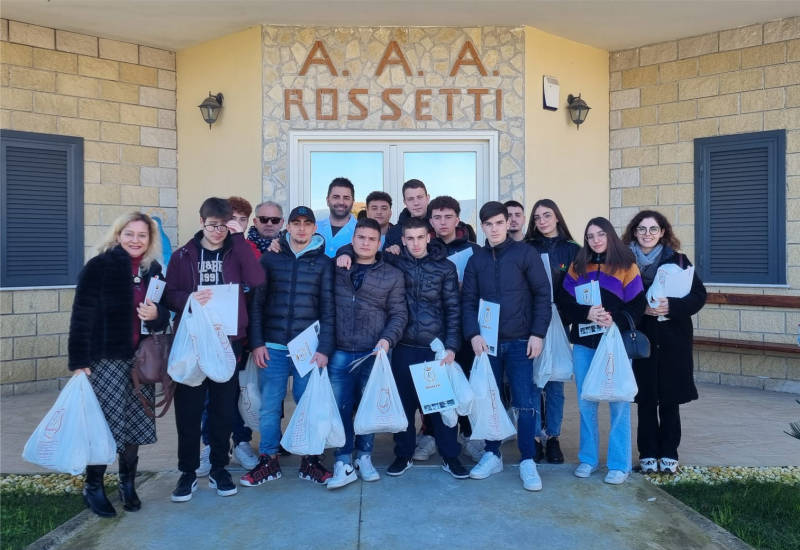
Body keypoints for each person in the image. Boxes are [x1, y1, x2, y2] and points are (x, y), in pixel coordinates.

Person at [336, 217, 468, 479]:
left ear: (428, 237)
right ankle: (404, 454)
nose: (416, 243)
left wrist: (452, 345)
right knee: (404, 406)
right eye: (410, 238)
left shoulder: (445, 268)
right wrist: (344, 252)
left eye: (420, 237)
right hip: (403, 345)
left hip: (434, 347)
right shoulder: (393, 261)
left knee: (438, 407)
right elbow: (364, 249)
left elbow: (454, 309)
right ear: (403, 240)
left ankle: (450, 456)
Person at [68, 211, 170, 517]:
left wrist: (158, 315)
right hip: (106, 359)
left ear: (150, 239)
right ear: (118, 234)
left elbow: (162, 311)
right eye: (129, 234)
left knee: (136, 423)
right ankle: (94, 486)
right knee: (107, 424)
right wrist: (79, 360)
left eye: (142, 235)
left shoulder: (154, 270)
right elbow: (81, 314)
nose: (135, 240)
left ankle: (128, 484)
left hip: (141, 360)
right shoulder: (99, 266)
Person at [165, 197, 264, 503]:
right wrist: (191, 298)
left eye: (224, 225)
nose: (218, 231)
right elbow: (169, 295)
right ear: (202, 222)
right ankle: (187, 472)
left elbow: (256, 278)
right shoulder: (184, 255)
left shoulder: (236, 251)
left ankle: (219, 468)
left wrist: (238, 238)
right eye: (213, 225)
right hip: (194, 342)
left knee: (223, 409)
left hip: (227, 342)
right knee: (189, 411)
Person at [240, 206, 336, 487]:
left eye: (307, 224)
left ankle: (310, 460)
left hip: (308, 348)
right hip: (274, 346)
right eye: (296, 223)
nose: (302, 229)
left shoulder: (324, 263)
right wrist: (256, 343)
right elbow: (256, 305)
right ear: (288, 227)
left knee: (308, 405)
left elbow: (329, 309)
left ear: (313, 229)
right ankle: (268, 460)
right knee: (270, 406)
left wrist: (325, 348)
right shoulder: (270, 259)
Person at [461, 201, 551, 491]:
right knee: (490, 399)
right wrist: (473, 333)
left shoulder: (526, 253)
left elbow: (542, 293)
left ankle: (527, 459)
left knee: (525, 402)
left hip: (521, 340)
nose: (495, 228)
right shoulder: (477, 260)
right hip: (487, 343)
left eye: (500, 222)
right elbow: (468, 301)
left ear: (508, 223)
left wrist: (538, 333)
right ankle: (492, 453)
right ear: (483, 227)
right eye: (488, 224)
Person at [557, 217, 646, 485]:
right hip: (584, 344)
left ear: (610, 236)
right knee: (587, 402)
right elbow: (563, 301)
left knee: (619, 402)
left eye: (600, 234)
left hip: (615, 343)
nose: (595, 240)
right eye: (590, 236)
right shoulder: (577, 266)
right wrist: (586, 312)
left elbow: (638, 305)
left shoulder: (626, 266)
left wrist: (614, 320)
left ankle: (619, 465)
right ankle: (588, 459)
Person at [622, 210, 706, 475]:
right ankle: (647, 453)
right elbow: (616, 297)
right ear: (634, 232)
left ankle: (669, 453)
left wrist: (673, 305)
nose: (648, 234)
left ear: (662, 232)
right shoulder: (623, 261)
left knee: (670, 399)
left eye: (653, 229)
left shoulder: (678, 260)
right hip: (642, 338)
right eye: (642, 229)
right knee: (645, 398)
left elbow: (698, 295)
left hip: (673, 339)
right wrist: (641, 311)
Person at [327, 218, 407, 489]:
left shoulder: (392, 274)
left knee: (369, 406)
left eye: (372, 239)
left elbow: (398, 313)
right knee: (341, 408)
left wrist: (387, 340)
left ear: (379, 242)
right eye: (360, 237)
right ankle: (342, 459)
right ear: (353, 241)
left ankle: (364, 456)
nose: (365, 243)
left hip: (373, 352)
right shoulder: (336, 269)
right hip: (339, 350)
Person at [193, 197, 260, 477]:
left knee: (238, 394)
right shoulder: (202, 249)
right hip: (210, 335)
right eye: (231, 218)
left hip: (240, 338)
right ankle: (210, 445)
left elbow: (257, 285)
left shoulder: (251, 249)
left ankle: (241, 442)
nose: (236, 224)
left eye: (242, 219)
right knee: (211, 396)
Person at [524, 199, 581, 464]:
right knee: (535, 380)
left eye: (547, 215)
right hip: (532, 320)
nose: (542, 221)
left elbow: (581, 287)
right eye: (537, 217)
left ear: (557, 217)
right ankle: (535, 437)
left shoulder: (573, 250)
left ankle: (553, 437)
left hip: (561, 319)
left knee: (555, 381)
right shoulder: (527, 248)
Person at [427, 195, 482, 461]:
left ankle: (469, 434)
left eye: (448, 216)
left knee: (466, 382)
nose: (443, 222)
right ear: (430, 221)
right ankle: (432, 435)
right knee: (436, 384)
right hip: (435, 330)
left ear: (458, 218)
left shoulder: (474, 250)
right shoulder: (424, 248)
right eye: (437, 217)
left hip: (466, 327)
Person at [383, 179, 430, 253]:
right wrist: (391, 253)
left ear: (427, 198)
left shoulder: (439, 226)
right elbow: (385, 262)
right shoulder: (394, 232)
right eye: (410, 199)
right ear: (405, 202)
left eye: (420, 197)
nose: (416, 203)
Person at [316, 177, 357, 257]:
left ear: (353, 202)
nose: (341, 202)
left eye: (346, 198)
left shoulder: (362, 231)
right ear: (327, 201)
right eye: (336, 197)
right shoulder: (313, 229)